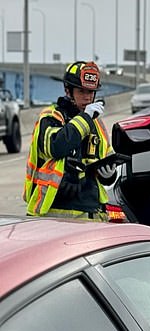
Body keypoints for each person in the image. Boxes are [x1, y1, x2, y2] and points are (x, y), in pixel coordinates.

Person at [24, 61, 117, 220]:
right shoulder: (51, 116)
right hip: (54, 214)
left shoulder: (96, 123)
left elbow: (105, 158)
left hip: (92, 213)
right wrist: (85, 118)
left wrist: (109, 174)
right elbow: (56, 146)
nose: (87, 97)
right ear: (68, 91)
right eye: (81, 91)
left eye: (91, 91)